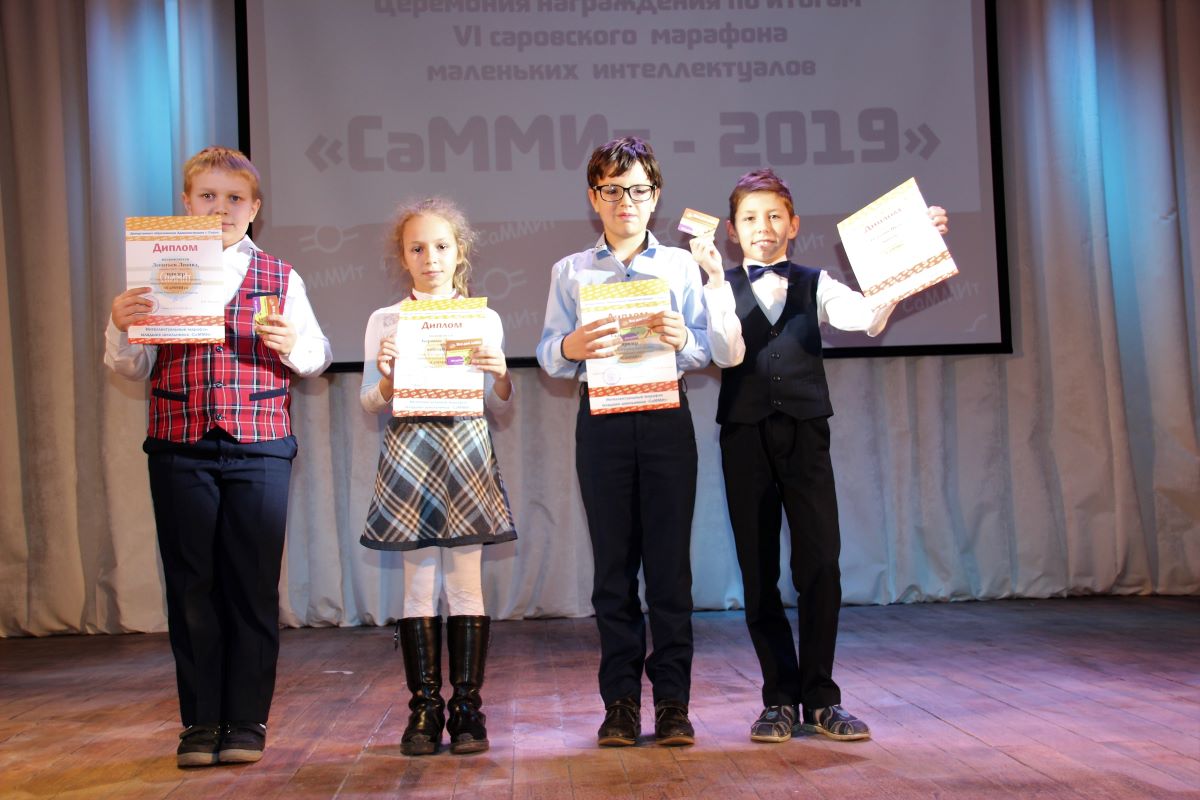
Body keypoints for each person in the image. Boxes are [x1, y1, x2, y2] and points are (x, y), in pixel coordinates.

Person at [689, 168, 948, 744]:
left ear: (794, 224)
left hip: (806, 435)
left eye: (774, 216)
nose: (763, 227)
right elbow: (726, 355)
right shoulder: (717, 286)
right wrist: (713, 282)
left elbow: (867, 317)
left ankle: (823, 698)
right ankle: (778, 699)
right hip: (745, 438)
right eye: (750, 218)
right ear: (731, 230)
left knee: (820, 566)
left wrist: (913, 254)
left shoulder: (815, 281)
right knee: (759, 573)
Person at [105, 146, 332, 767]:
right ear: (187, 203)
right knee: (192, 586)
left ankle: (247, 721)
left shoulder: (281, 275)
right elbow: (131, 365)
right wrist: (122, 324)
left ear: (254, 208)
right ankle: (201, 722)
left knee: (251, 586)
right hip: (179, 444)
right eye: (208, 195)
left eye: (235, 198)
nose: (221, 208)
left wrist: (292, 343)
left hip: (259, 444)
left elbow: (316, 356)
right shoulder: (158, 269)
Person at [536, 137, 710, 747]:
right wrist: (571, 346)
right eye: (612, 190)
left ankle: (673, 704)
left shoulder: (681, 266)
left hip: (666, 417)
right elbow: (549, 354)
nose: (625, 201)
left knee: (669, 572)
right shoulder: (570, 271)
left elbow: (705, 349)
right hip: (602, 420)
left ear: (655, 196)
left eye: (637, 189)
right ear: (594, 198)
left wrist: (683, 339)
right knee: (613, 571)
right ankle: (619, 704)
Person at [359, 198, 517, 756]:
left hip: (465, 451)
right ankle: (424, 711)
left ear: (459, 251)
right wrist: (387, 379)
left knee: (467, 583)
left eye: (441, 246)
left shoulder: (483, 318)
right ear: (402, 256)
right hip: (410, 451)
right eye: (417, 248)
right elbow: (368, 400)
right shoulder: (385, 320)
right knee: (419, 584)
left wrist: (502, 375)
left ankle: (467, 710)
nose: (431, 258)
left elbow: (500, 402)